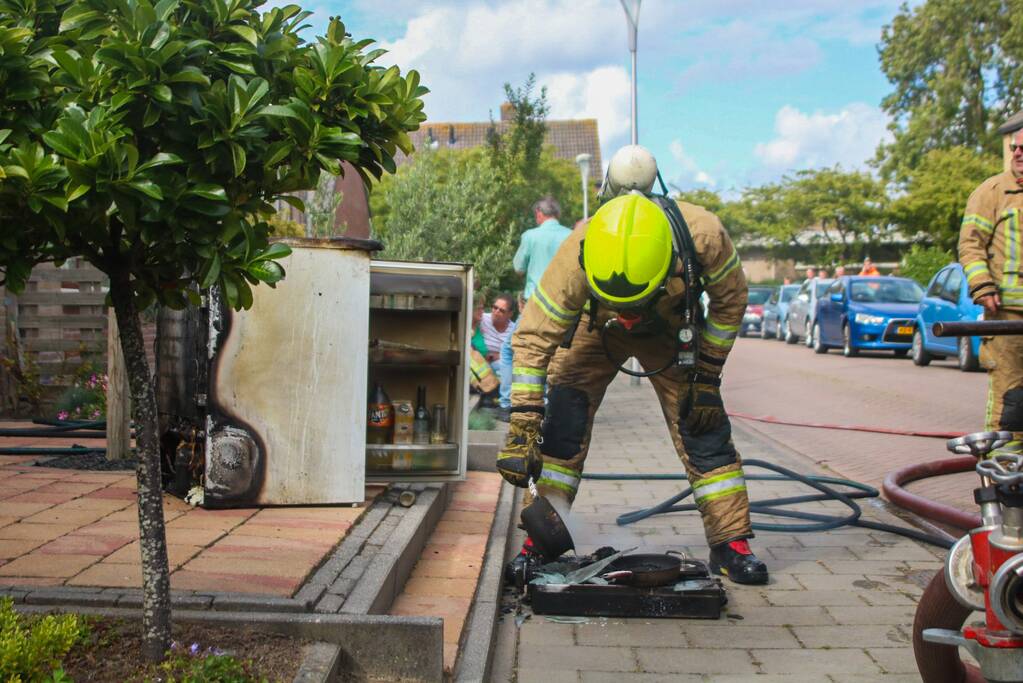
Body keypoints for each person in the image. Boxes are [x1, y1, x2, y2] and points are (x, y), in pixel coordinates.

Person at [497, 144, 768, 585]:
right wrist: (524, 422)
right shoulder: (579, 246)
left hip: (669, 327)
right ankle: (541, 541)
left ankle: (731, 544)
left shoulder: (702, 234)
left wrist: (706, 373)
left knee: (703, 427)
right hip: (594, 328)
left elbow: (731, 301)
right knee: (563, 428)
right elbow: (533, 336)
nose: (629, 314)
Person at [959, 127, 1023, 453]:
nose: (1017, 154)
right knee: (1011, 399)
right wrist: (982, 286)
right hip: (1008, 317)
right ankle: (1004, 480)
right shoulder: (993, 192)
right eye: (1015, 148)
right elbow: (970, 246)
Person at [482, 294, 516, 419]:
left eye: (502, 310)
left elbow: (513, 354)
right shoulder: (483, 319)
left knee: (505, 367)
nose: (496, 312)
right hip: (480, 362)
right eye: (494, 307)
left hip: (499, 365)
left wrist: (498, 355)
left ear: (510, 314)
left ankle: (502, 404)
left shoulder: (513, 329)